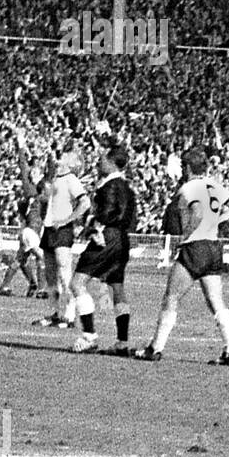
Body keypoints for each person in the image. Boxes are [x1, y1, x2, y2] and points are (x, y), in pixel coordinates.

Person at [134, 148, 229, 365]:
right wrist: (219, 220)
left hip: (196, 247)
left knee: (171, 297)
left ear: (186, 168)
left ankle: (155, 348)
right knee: (216, 301)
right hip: (214, 247)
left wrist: (186, 236)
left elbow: (197, 212)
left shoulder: (189, 187)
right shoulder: (214, 185)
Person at [69, 144, 137, 356]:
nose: (99, 163)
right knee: (117, 289)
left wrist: (93, 227)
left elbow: (105, 213)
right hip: (122, 239)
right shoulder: (127, 188)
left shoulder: (110, 186)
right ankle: (122, 342)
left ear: (111, 162)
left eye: (102, 159)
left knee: (77, 282)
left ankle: (89, 336)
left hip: (105, 237)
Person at [31, 148, 90, 329]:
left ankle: (69, 316)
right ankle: (55, 313)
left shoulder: (71, 180)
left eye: (64, 157)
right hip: (49, 229)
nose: (60, 158)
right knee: (50, 274)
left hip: (62, 230)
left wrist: (66, 220)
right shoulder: (56, 179)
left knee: (64, 273)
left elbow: (85, 203)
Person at [0, 138, 46, 297]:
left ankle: (9, 286)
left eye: (38, 172)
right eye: (34, 172)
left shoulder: (41, 191)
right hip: (30, 231)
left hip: (31, 231)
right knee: (42, 258)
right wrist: (21, 147)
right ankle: (41, 289)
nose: (36, 173)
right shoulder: (30, 189)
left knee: (21, 260)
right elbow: (24, 168)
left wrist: (52, 154)